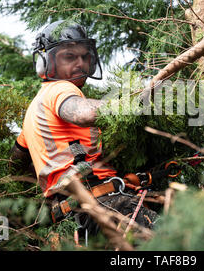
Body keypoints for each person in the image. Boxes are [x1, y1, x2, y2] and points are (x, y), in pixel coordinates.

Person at [10, 20, 157, 243]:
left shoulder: (34, 110)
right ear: (46, 62)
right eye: (69, 57)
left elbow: (16, 163)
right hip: (103, 205)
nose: (80, 63)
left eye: (84, 56)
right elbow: (83, 114)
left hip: (70, 219)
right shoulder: (60, 88)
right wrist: (134, 103)